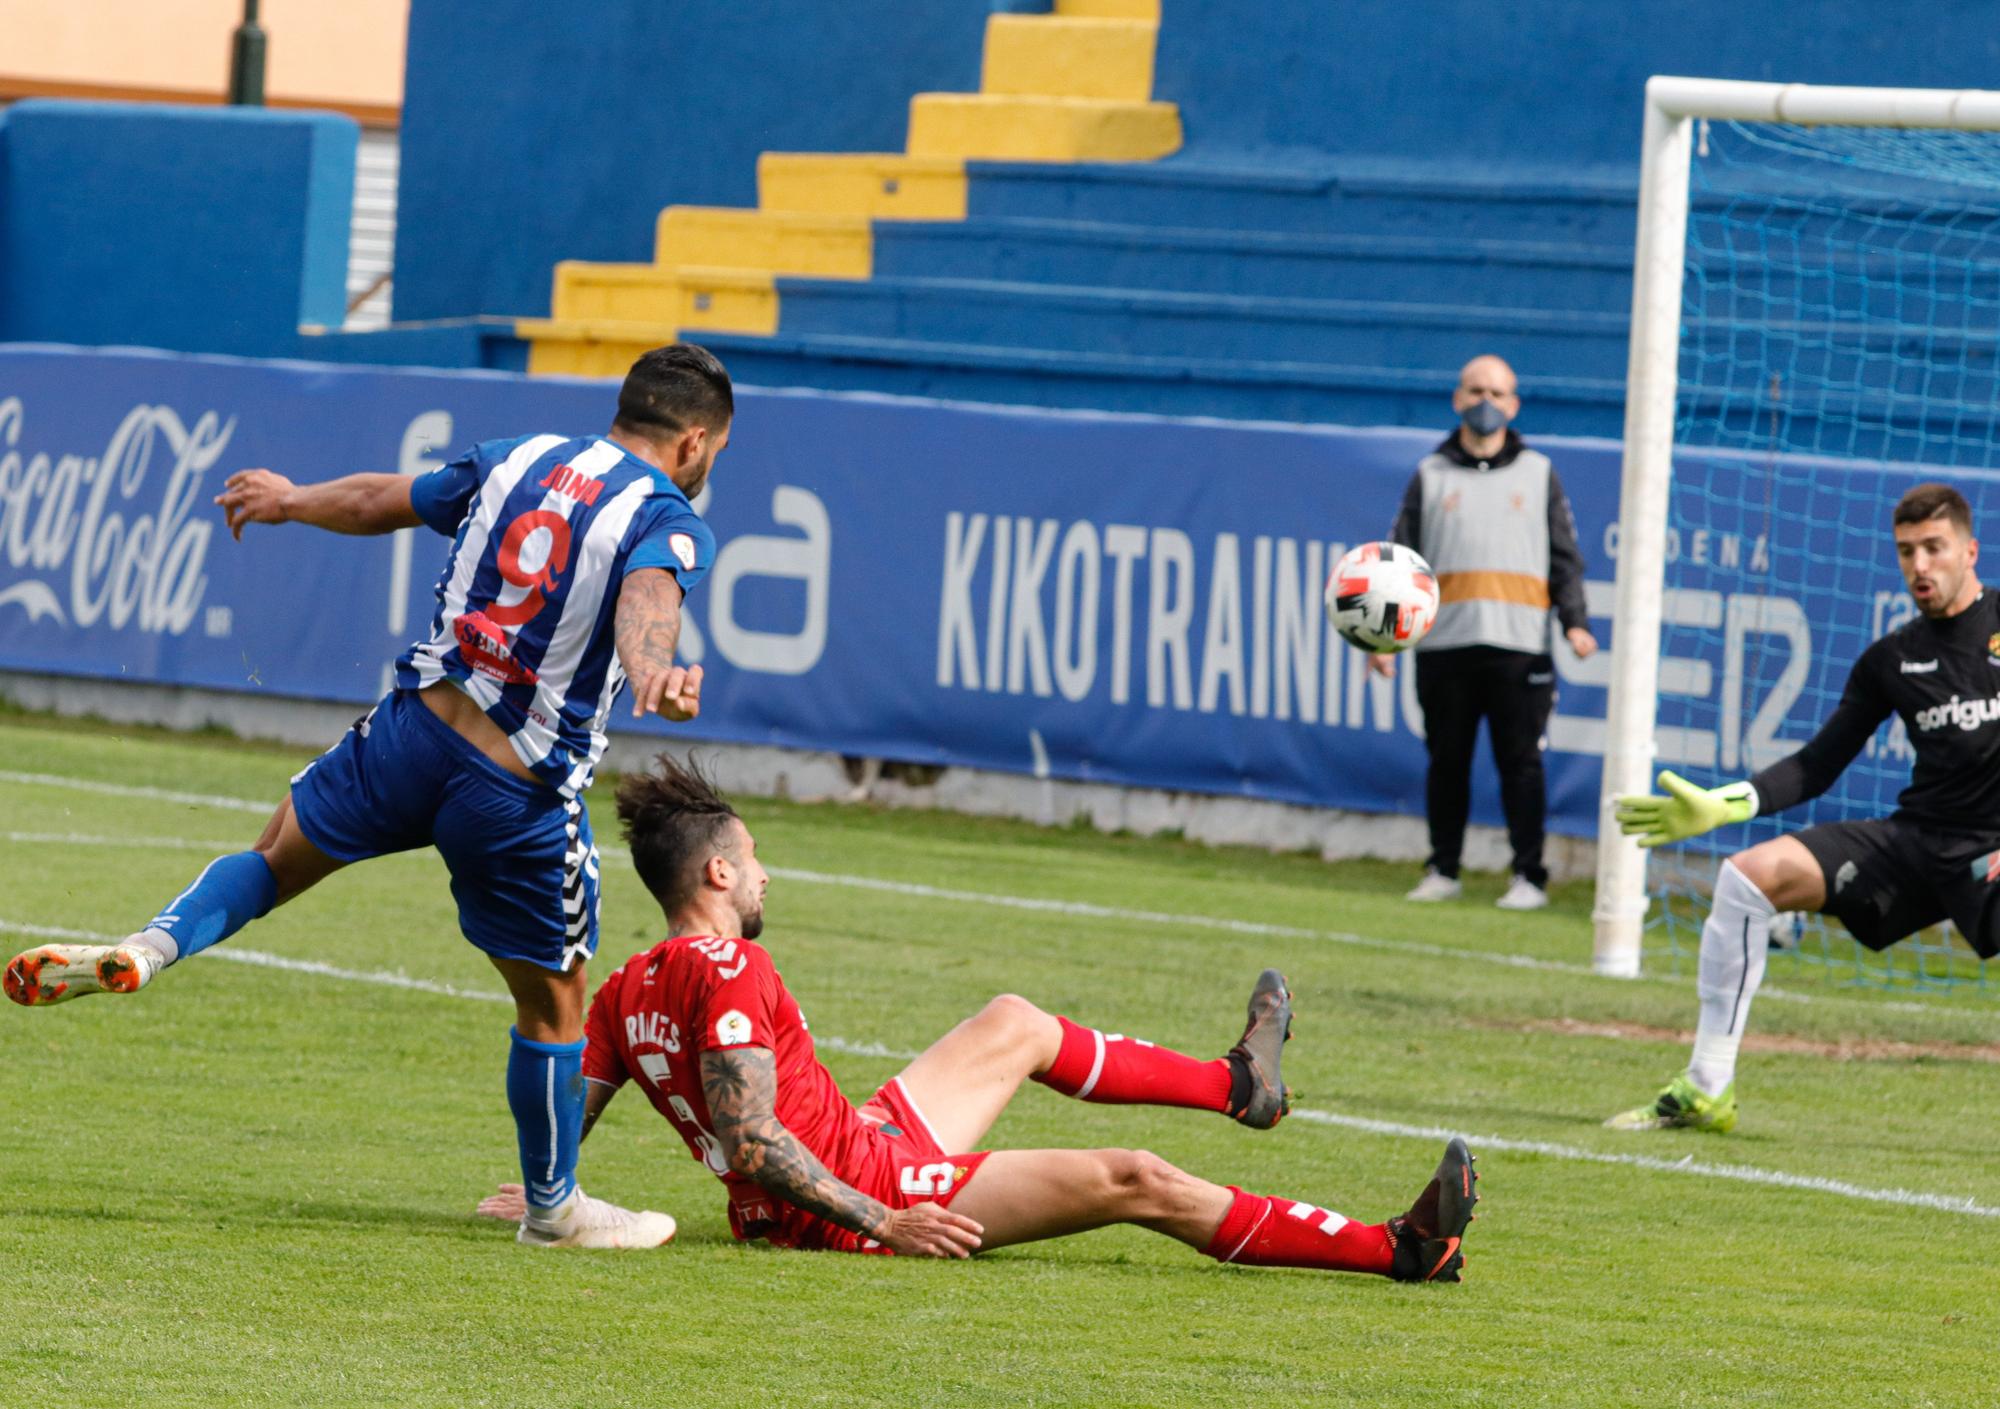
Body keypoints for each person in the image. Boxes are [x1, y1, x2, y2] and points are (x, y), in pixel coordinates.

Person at [4, 344, 732, 1249]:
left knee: (273, 858)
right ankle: (554, 1209)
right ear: (695, 440)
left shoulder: (518, 456)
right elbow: (649, 599)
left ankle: (150, 946)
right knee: (554, 1001)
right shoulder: (668, 516)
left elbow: (381, 499)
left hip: (411, 735)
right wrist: (656, 670)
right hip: (515, 789)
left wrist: (287, 499)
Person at [476, 754, 1480, 1281]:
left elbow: (570, 1101)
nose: (766, 872)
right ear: (720, 870)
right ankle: (1395, 1245)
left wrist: (537, 1192)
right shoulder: (729, 962)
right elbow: (752, 1136)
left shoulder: (623, 988)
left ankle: (1237, 1083)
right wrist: (887, 1219)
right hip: (856, 1200)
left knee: (1014, 1020)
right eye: (756, 856)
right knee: (1130, 1176)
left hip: (862, 1143)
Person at [1607, 482, 1998, 1134]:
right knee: (1744, 878)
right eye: (1906, 551)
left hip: (1990, 844)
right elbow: (1817, 765)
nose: (1919, 566)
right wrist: (1725, 804)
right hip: (1918, 838)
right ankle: (1707, 1086)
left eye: (1934, 547)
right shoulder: (1891, 658)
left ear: (1969, 549)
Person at [1372, 354, 1596, 911]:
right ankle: (1443, 867)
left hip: (1519, 646)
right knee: (1446, 761)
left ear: (1514, 404)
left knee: (1521, 763)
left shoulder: (1538, 472)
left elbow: (1564, 557)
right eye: (1475, 391)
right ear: (1457, 399)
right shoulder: (1431, 473)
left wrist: (1575, 623)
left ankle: (1529, 875)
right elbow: (1400, 564)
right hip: (1445, 644)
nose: (1486, 403)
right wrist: (1384, 639)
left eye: (1497, 393)